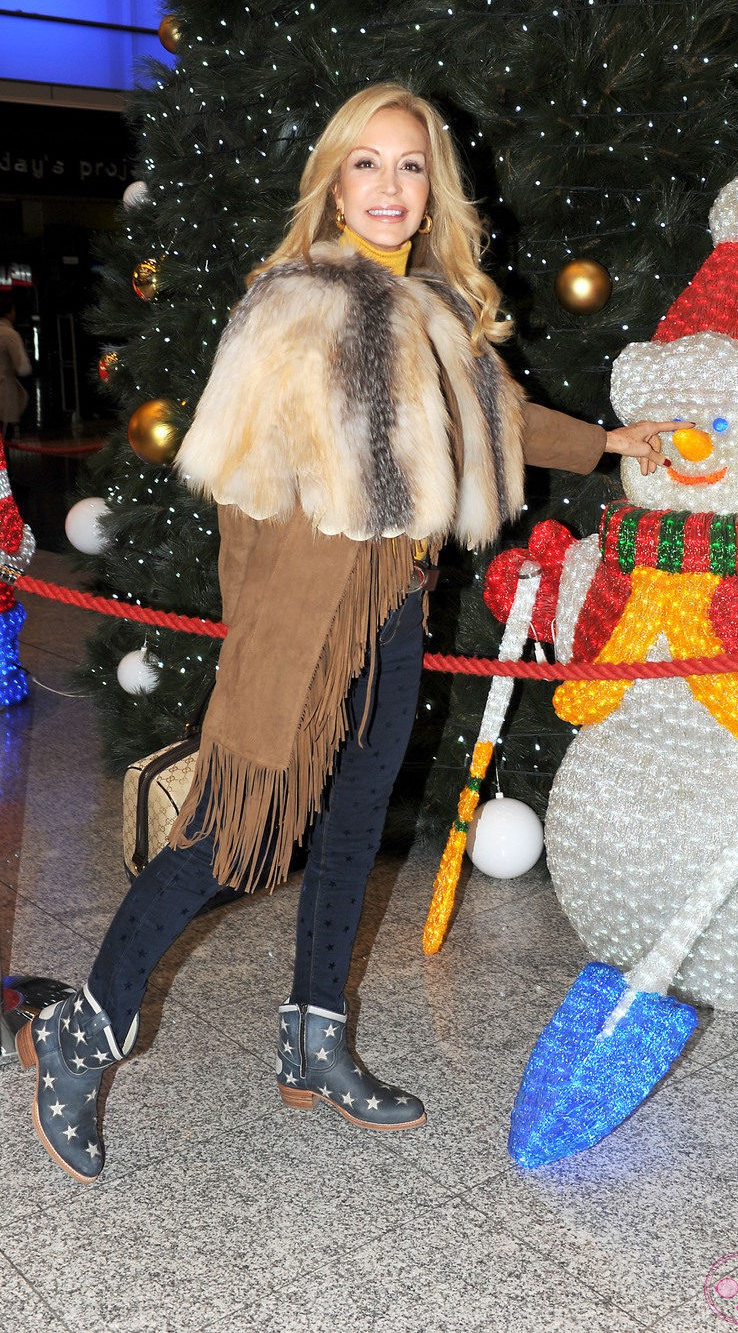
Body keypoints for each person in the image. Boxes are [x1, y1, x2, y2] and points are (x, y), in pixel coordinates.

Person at [17, 83, 682, 1183]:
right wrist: (263, 643)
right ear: (333, 180)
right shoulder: (286, 305)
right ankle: (81, 1031)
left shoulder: (437, 308)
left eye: (409, 166)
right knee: (223, 840)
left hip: (395, 611)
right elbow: (237, 490)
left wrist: (612, 441)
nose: (387, 186)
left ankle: (313, 1037)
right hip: (299, 616)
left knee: (353, 828)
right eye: (365, 164)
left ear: (432, 189)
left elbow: (502, 418)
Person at [0, 298, 31, 440]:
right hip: (4, 395)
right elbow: (23, 367)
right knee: (4, 442)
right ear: (10, 312)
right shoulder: (10, 334)